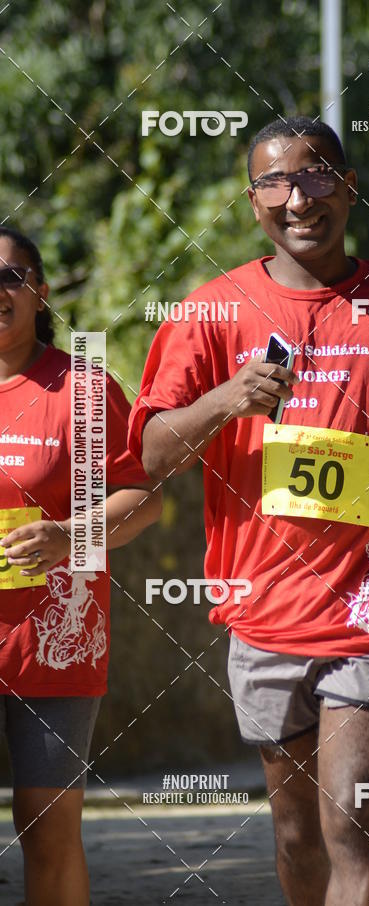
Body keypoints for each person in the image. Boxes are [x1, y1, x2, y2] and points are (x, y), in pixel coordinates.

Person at [129, 115, 369, 906]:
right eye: (276, 181)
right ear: (252, 198)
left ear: (350, 188)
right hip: (263, 609)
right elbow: (152, 455)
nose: (299, 198)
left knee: (354, 824)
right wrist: (228, 397)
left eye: (318, 175)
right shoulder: (210, 312)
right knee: (296, 835)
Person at [0, 225, 162, 906]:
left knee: (47, 830)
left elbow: (144, 500)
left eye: (11, 276)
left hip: (55, 645)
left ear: (39, 290)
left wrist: (71, 534)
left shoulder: (82, 390)